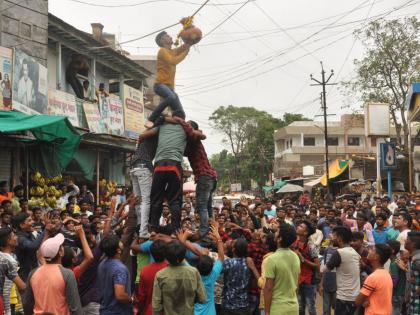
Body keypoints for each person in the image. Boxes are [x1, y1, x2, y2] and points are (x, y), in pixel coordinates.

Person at [23, 233, 83, 315]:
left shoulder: (33, 273)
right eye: (61, 247)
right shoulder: (67, 274)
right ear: (61, 253)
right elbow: (75, 308)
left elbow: (27, 304)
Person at [145, 31, 190, 128]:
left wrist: (189, 38)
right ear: (162, 41)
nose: (170, 37)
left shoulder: (172, 51)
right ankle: (151, 119)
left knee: (180, 113)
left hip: (170, 88)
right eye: (167, 36)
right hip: (160, 85)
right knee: (171, 97)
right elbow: (173, 61)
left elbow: (184, 47)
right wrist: (185, 54)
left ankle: (178, 129)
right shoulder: (162, 51)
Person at [152, 240, 206, 315]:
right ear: (184, 255)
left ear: (166, 256)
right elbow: (202, 299)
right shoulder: (194, 272)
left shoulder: (160, 275)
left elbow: (156, 306)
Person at [263, 223, 300, 315]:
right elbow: (297, 285)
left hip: (277, 308)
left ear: (280, 238)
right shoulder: (295, 256)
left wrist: (267, 312)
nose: (275, 233)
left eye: (277, 232)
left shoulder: (271, 259)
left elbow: (268, 288)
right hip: (294, 307)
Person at [325, 226, 360, 315]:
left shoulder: (339, 252)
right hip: (354, 296)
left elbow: (323, 269)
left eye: (333, 236)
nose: (331, 238)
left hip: (344, 297)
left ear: (339, 238)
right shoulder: (355, 252)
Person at [130, 128, 158, 238]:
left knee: (138, 200)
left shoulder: (142, 139)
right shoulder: (155, 135)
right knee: (146, 200)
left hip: (133, 168)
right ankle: (143, 231)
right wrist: (152, 171)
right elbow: (147, 159)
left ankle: (139, 226)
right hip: (143, 167)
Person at [98, 234, 134, 315]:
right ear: (118, 250)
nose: (121, 241)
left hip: (105, 309)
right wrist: (131, 299)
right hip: (118, 312)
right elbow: (120, 295)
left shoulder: (102, 263)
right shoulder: (119, 269)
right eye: (119, 242)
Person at [355, 244, 393, 315]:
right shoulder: (386, 274)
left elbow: (358, 301)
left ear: (376, 257)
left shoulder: (373, 277)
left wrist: (364, 301)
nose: (369, 251)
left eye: (372, 250)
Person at [195, 225, 224, 315]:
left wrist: (183, 240)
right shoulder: (212, 275)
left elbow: (180, 259)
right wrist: (218, 238)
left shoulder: (192, 274)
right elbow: (221, 258)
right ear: (212, 267)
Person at [292, 220, 319, 315]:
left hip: (308, 280)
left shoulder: (311, 245)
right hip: (297, 279)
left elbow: (317, 264)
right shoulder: (294, 242)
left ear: (306, 232)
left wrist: (302, 259)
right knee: (299, 307)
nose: (298, 227)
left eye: (301, 226)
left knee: (311, 307)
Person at [13, 212, 50, 281]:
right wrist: (46, 229)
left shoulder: (30, 234)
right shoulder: (19, 238)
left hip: (34, 270)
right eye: (29, 220)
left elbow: (38, 247)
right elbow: (33, 246)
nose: (33, 222)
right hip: (25, 274)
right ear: (22, 225)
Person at [221, 238, 252, 315]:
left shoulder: (229, 263)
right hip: (244, 305)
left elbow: (217, 268)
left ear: (233, 249)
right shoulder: (249, 263)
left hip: (229, 306)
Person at [135, 240, 167, 315]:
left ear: (151, 253)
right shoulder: (170, 269)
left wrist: (141, 311)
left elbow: (142, 296)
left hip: (150, 310)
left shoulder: (145, 270)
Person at [0, 227, 26, 315]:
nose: (17, 237)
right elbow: (6, 290)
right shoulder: (8, 261)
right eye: (14, 235)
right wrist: (7, 311)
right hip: (8, 303)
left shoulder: (3, 257)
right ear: (8, 240)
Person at [405, 231, 420, 315]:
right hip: (413, 299)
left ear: (413, 244)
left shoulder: (417, 259)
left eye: (407, 240)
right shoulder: (413, 257)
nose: (405, 242)